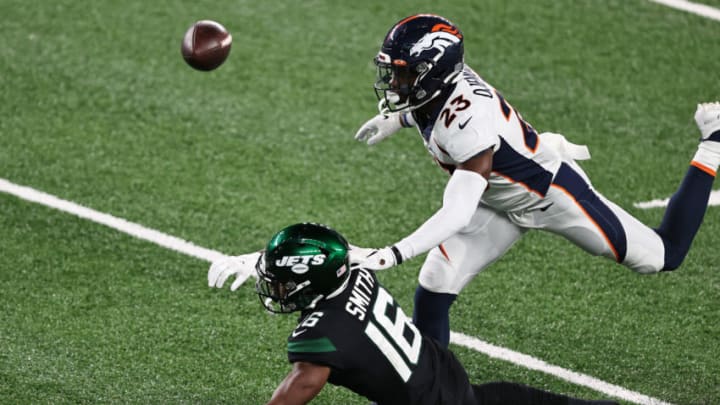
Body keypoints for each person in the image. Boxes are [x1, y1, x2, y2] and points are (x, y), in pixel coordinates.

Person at [352, 13, 720, 346]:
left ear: (434, 71)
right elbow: (432, 107)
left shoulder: (469, 123)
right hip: (498, 199)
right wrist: (399, 119)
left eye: (404, 72)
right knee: (435, 284)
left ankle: (713, 142)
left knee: (663, 256)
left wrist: (393, 253)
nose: (395, 82)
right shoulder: (442, 87)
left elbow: (457, 212)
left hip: (550, 195)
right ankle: (428, 391)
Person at [208, 222, 618, 405]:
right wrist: (261, 258)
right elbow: (328, 250)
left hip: (428, 398)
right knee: (477, 399)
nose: (276, 289)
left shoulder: (322, 332)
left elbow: (302, 386)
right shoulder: (354, 272)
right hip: (437, 367)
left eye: (281, 282)